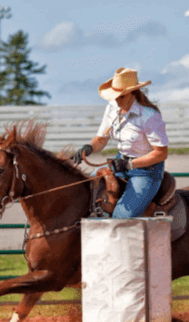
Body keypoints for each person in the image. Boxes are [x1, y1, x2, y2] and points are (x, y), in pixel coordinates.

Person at [72, 67, 169, 218]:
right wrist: (88, 148)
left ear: (132, 93)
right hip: (119, 163)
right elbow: (101, 139)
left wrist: (130, 164)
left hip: (146, 171)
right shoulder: (112, 108)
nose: (117, 101)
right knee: (85, 189)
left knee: (121, 217)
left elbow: (161, 153)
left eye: (121, 97)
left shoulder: (150, 116)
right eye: (115, 97)